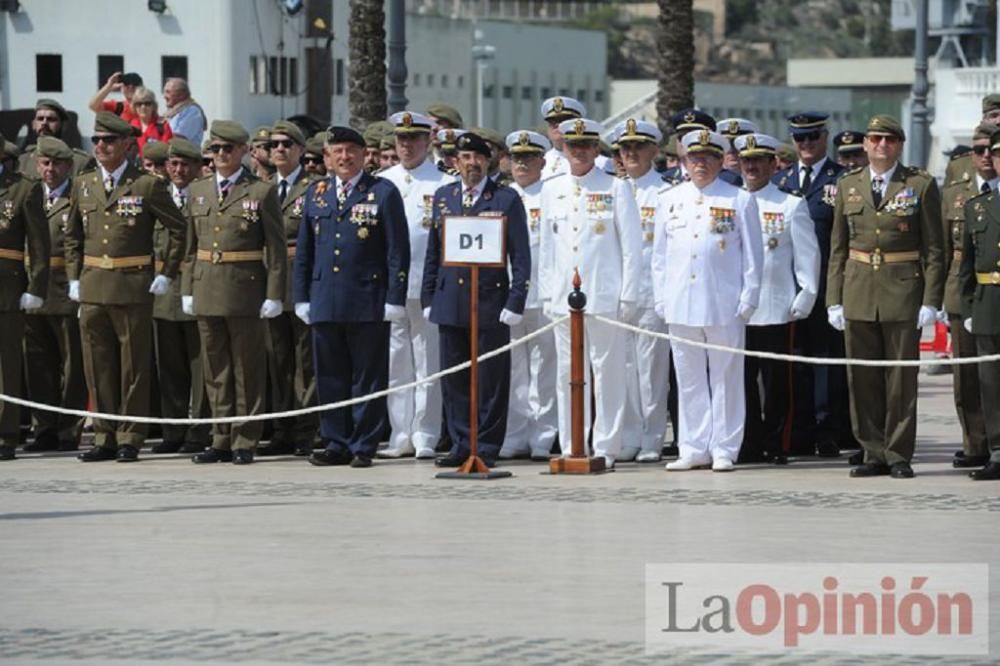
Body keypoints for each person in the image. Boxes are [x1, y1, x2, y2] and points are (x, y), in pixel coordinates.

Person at [64, 112, 187, 463]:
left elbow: (179, 229)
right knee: (97, 366)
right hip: (92, 285)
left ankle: (129, 436)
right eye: (97, 140)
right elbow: (72, 235)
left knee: (133, 366)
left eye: (109, 140)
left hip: (132, 285)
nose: (101, 146)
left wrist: (166, 271)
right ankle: (103, 435)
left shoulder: (146, 184)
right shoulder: (83, 183)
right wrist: (74, 276)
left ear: (126, 145)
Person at [827, 114, 945, 479]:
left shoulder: (919, 184)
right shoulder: (848, 185)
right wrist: (834, 298)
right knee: (861, 379)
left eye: (889, 140)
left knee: (899, 380)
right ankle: (872, 451)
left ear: (899, 145)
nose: (881, 145)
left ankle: (897, 453)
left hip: (902, 291)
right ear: (865, 144)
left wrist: (931, 300)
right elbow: (838, 249)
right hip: (859, 290)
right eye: (875, 138)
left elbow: (935, 249)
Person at [295, 126, 410, 468]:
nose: (344, 157)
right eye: (337, 151)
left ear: (364, 156)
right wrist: (301, 295)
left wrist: (395, 297)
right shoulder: (316, 193)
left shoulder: (382, 192)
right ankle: (335, 440)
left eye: (350, 151)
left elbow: (396, 251)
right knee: (330, 375)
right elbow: (305, 250)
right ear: (327, 157)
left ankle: (363, 443)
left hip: (367, 298)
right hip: (325, 299)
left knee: (367, 376)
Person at [652, 129, 763, 472]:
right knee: (688, 378)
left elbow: (754, 256)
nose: (701, 164)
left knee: (726, 378)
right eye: (694, 158)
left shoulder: (738, 199)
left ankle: (724, 448)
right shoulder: (669, 199)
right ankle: (693, 446)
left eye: (708, 157)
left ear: (720, 161)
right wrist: (661, 299)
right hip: (680, 301)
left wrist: (749, 298)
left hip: (723, 303)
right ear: (684, 162)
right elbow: (659, 257)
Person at [538, 117, 642, 469]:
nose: (579, 151)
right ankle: (572, 444)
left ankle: (606, 445)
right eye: (572, 145)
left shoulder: (616, 187)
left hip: (604, 295)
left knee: (607, 371)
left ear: (596, 148)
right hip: (562, 299)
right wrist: (547, 294)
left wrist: (628, 295)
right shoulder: (551, 188)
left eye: (586, 145)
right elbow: (547, 249)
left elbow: (631, 247)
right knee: (566, 373)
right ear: (564, 148)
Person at [423, 131, 531, 468]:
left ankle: (485, 444)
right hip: (450, 300)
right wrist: (428, 295)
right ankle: (460, 442)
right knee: (454, 378)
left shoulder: (505, 198)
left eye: (478, 158)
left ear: (489, 162)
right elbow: (433, 252)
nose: (472, 164)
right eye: (465, 158)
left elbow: (521, 256)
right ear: (456, 161)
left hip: (489, 302)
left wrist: (515, 300)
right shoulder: (444, 196)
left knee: (490, 379)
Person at [182, 120, 286, 465]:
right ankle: (220, 437)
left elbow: (275, 247)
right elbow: (189, 246)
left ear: (243, 150)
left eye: (228, 148)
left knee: (246, 367)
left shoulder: (260, 191)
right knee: (215, 368)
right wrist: (187, 287)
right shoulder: (198, 190)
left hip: (245, 288)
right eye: (215, 149)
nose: (221, 155)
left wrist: (274, 293)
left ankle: (245, 438)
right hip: (207, 285)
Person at [733, 132, 819, 464]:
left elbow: (806, 254)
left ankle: (775, 441)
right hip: (737, 309)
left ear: (773, 164)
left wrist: (807, 292)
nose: (752, 167)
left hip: (775, 304)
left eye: (759, 161)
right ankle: (748, 440)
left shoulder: (790, 204)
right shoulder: (731, 201)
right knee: (740, 380)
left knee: (777, 381)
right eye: (746, 161)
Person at [773, 111, 850, 458]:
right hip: (789, 287)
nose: (805, 144)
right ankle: (799, 427)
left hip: (827, 286)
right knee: (794, 360)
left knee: (827, 360)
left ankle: (827, 429)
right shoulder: (783, 180)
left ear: (824, 137)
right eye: (799, 138)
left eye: (812, 137)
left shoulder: (843, 180)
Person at [377, 111, 454, 458]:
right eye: (401, 139)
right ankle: (400, 432)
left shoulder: (442, 183)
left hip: (428, 284)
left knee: (428, 361)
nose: (406, 146)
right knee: (396, 362)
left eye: (414, 139)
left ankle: (425, 432)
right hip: (391, 287)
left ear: (428, 142)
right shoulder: (382, 180)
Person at [257, 120, 319, 457]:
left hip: (300, 278)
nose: (279, 149)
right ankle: (282, 427)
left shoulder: (314, 187)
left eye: (286, 144)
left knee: (304, 359)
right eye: (274, 145)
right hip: (270, 280)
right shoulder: (261, 187)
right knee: (277, 358)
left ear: (300, 150)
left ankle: (306, 428)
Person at [613, 118, 673, 463]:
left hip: (651, 293)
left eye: (638, 147)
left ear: (653, 150)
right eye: (625, 148)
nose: (631, 153)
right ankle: (629, 434)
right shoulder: (611, 189)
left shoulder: (665, 192)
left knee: (651, 371)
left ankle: (652, 437)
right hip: (618, 292)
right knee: (622, 369)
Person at [21, 137, 86, 453]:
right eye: (45, 163)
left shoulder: (77, 196)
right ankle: (43, 426)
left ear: (68, 166)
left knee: (72, 365)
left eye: (56, 163)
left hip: (64, 287)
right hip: (34, 290)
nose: (50, 169)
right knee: (38, 364)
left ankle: (68, 428)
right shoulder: (30, 195)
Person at [498, 129, 558, 461]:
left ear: (542, 161)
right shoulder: (500, 195)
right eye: (516, 158)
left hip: (542, 293)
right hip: (505, 295)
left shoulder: (550, 195)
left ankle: (543, 435)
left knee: (544, 369)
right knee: (513, 370)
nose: (522, 165)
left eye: (529, 158)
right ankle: (515, 433)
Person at [149, 137, 212, 455]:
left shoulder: (204, 196)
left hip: (197, 287)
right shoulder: (156, 195)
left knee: (200, 365)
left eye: (185, 164)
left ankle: (199, 432)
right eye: (172, 163)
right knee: (169, 366)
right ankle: (172, 430)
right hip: (163, 289)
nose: (177, 169)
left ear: (198, 167)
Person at [941, 122, 997, 469]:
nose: (987, 157)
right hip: (968, 291)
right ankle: (977, 443)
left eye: (993, 150)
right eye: (979, 150)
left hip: (989, 290)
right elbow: (945, 249)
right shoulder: (957, 193)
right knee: (970, 376)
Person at [0, 132, 49, 461]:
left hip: (7, 287)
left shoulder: (24, 188)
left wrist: (36, 288)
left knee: (7, 366)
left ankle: (6, 434)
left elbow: (39, 243)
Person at [958, 125, 1000, 481]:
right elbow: (967, 265)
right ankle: (998, 450)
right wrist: (968, 308)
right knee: (991, 384)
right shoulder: (979, 207)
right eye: (996, 154)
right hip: (989, 303)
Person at [18, 99, 92, 177]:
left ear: (63, 126)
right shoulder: (23, 162)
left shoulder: (79, 162)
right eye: (40, 119)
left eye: (51, 119)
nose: (44, 123)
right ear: (33, 125)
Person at [540, 96, 585, 180]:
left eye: (563, 120)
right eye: (552, 121)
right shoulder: (538, 162)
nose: (557, 124)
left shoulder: (597, 161)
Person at [162, 78, 207, 145]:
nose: (164, 96)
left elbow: (179, 138)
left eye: (168, 92)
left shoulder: (192, 111)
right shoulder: (173, 112)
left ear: (181, 95)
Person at [129, 87, 173, 152]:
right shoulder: (131, 126)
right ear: (134, 107)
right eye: (139, 104)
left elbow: (166, 150)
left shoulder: (162, 126)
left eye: (147, 103)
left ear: (153, 106)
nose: (143, 107)